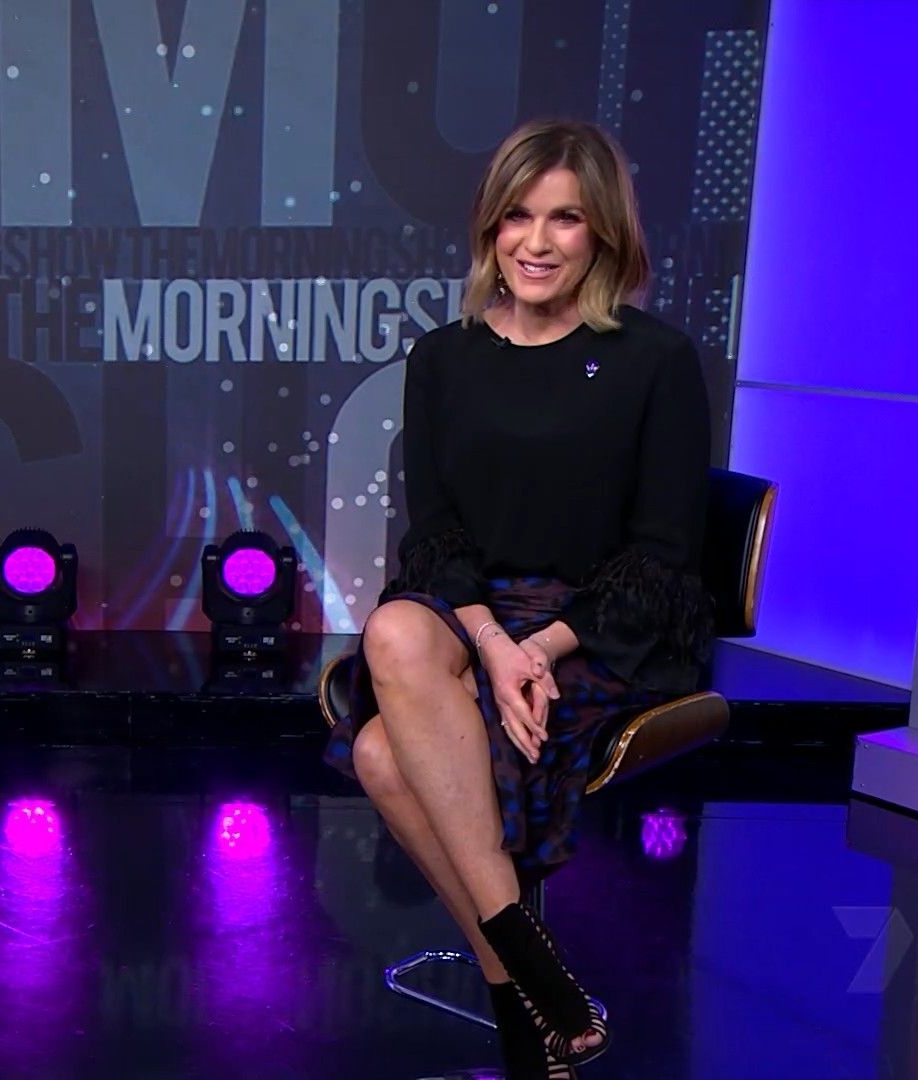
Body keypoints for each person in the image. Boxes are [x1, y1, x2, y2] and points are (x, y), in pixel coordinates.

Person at [325, 119, 713, 1078]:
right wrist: (497, 643)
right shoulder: (443, 357)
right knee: (396, 628)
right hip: (474, 610)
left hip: (605, 620)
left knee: (380, 753)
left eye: (564, 219)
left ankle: (516, 1003)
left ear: (604, 232)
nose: (536, 243)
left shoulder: (654, 359)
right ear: (489, 226)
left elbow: (663, 552)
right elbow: (435, 535)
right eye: (516, 217)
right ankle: (540, 981)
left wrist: (544, 647)